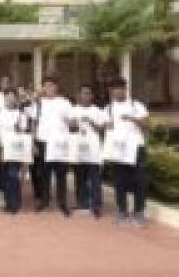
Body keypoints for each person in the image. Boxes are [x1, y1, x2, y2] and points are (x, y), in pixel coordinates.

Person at [105, 78, 149, 227]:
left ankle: (139, 213)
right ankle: (121, 211)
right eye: (114, 89)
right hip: (118, 150)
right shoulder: (108, 108)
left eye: (119, 88)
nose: (116, 91)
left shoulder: (137, 105)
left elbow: (146, 125)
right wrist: (106, 126)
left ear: (125, 89)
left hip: (136, 148)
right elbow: (105, 128)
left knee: (139, 182)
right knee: (119, 182)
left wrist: (132, 118)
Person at [29, 76, 73, 217]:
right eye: (46, 86)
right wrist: (33, 142)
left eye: (51, 86)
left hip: (60, 142)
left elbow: (72, 122)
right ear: (43, 88)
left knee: (61, 174)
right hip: (43, 142)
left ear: (56, 87)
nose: (49, 89)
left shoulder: (64, 103)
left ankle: (62, 203)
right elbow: (34, 123)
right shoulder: (38, 103)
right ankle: (45, 201)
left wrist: (71, 122)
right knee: (44, 174)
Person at [69, 84, 108, 218]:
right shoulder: (73, 110)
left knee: (94, 179)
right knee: (79, 178)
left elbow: (102, 130)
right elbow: (71, 130)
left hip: (93, 152)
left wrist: (91, 122)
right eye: (84, 93)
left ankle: (95, 205)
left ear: (92, 96)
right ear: (79, 95)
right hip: (78, 150)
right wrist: (73, 124)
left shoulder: (98, 111)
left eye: (89, 93)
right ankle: (82, 203)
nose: (86, 96)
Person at [0, 89, 28, 214]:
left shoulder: (21, 114)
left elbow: (23, 133)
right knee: (4, 178)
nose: (9, 99)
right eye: (7, 97)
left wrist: (18, 128)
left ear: (16, 99)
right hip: (2, 149)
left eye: (12, 97)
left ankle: (15, 204)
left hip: (14, 149)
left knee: (13, 176)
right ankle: (8, 202)